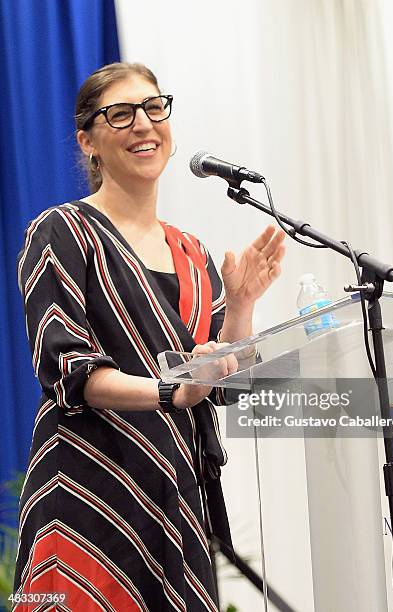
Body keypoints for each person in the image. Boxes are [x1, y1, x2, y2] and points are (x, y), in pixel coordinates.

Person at [13, 62, 285, 611]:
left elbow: (222, 381)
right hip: (88, 494)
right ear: (88, 141)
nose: (143, 124)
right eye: (121, 114)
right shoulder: (61, 231)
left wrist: (241, 306)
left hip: (177, 498)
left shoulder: (192, 254)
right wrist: (171, 391)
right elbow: (70, 371)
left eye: (153, 108)